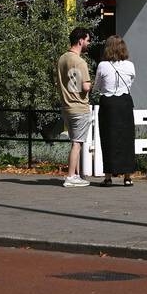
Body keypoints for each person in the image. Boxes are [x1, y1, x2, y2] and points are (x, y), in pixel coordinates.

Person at [94, 35, 137, 186]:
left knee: (108, 139)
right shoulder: (130, 65)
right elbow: (131, 83)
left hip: (108, 103)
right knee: (126, 139)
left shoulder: (102, 65)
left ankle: (108, 177)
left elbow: (97, 86)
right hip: (124, 103)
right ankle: (127, 177)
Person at [56, 28, 93, 187]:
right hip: (79, 107)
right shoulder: (80, 62)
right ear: (81, 40)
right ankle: (71, 176)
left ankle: (76, 175)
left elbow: (70, 83)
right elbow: (84, 87)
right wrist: (92, 84)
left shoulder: (62, 59)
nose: (88, 43)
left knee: (75, 141)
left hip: (67, 106)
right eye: (88, 40)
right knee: (77, 143)